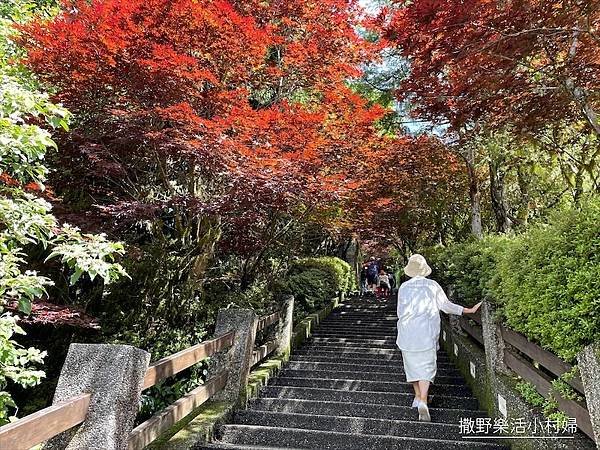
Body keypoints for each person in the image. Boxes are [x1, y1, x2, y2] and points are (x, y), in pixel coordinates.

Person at [396, 254, 481, 422]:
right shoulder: (432, 286)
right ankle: (423, 400)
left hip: (407, 333)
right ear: (424, 269)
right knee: (427, 367)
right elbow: (446, 306)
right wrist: (467, 310)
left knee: (412, 366)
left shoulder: (404, 287)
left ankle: (419, 397)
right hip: (426, 332)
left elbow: (400, 312)